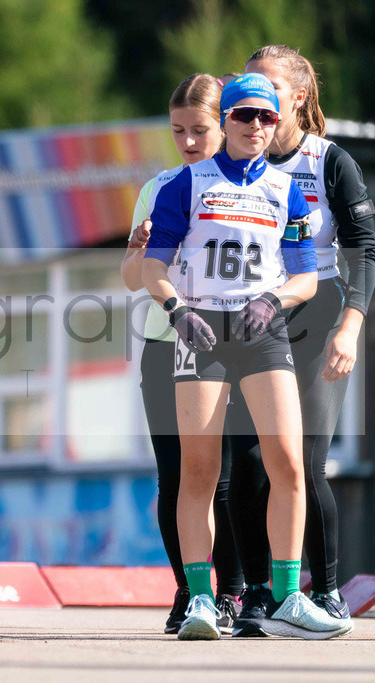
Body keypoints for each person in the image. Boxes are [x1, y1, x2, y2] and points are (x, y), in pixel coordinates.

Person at [142, 73, 350, 640]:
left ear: (279, 120)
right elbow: (154, 268)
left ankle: (286, 597)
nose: (256, 126)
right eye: (244, 116)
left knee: (287, 463)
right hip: (202, 330)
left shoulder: (290, 191)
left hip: (262, 333)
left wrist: (273, 298)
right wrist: (175, 308)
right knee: (200, 472)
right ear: (226, 120)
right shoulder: (185, 185)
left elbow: (306, 277)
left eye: (267, 116)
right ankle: (202, 601)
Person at [228, 45, 375, 633]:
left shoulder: (328, 160)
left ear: (298, 96)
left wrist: (352, 325)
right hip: (248, 320)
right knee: (246, 464)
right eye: (247, 88)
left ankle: (328, 589)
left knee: (303, 460)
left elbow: (364, 247)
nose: (257, 106)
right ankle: (258, 594)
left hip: (317, 314)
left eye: (269, 91)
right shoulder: (229, 156)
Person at [120, 74, 243, 634]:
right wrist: (139, 247)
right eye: (178, 132)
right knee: (174, 475)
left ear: (225, 125)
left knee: (224, 477)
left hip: (229, 345)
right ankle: (189, 590)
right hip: (164, 343)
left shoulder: (246, 186)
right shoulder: (159, 187)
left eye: (200, 130)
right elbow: (129, 279)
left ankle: (235, 590)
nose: (189, 142)